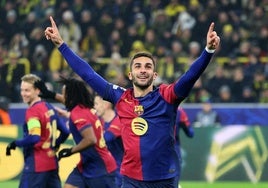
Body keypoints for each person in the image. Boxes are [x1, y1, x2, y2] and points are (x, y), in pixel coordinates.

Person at [45, 16, 220, 188]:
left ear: (155, 75)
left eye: (148, 66)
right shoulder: (120, 97)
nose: (143, 70)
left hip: (165, 179)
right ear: (130, 75)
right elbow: (88, 74)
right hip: (131, 180)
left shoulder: (167, 96)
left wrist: (208, 51)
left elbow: (190, 76)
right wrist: (61, 45)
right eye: (138, 66)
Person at [35, 77, 118, 188]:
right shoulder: (83, 108)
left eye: (64, 94)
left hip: (100, 168)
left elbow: (90, 139)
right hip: (85, 165)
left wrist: (70, 151)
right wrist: (51, 94)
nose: (63, 97)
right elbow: (67, 101)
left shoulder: (78, 113)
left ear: (71, 96)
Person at [5, 73, 70, 188]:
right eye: (22, 90)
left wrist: (15, 143)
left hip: (36, 165)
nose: (23, 94)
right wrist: (55, 145)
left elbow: (34, 137)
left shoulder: (33, 112)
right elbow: (65, 132)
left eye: (27, 90)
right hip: (52, 163)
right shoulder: (49, 107)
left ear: (37, 91)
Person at [94, 94, 124, 188]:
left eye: (96, 104)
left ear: (106, 105)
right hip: (102, 171)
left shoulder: (119, 119)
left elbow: (106, 139)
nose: (94, 107)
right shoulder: (99, 121)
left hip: (118, 173)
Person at [174, 107, 194, 187]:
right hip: (173, 147)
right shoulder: (179, 111)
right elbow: (190, 133)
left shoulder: (155, 105)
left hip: (155, 147)